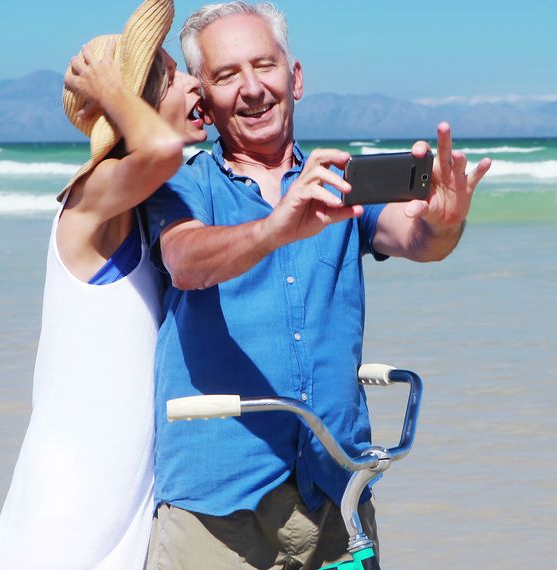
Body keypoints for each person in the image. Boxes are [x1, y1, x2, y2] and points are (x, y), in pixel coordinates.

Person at [142, 2, 491, 568]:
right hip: (216, 507)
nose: (253, 89)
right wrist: (277, 227)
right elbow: (185, 260)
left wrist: (444, 222)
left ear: (295, 77)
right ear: (202, 98)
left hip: (338, 494)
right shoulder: (182, 184)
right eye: (228, 75)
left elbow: (419, 239)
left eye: (265, 66)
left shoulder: (340, 182)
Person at [0, 0, 206, 567]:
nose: (198, 85)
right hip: (68, 521)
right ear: (143, 101)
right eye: (179, 76)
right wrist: (113, 89)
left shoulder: (142, 209)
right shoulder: (91, 199)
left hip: (119, 513)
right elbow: (162, 150)